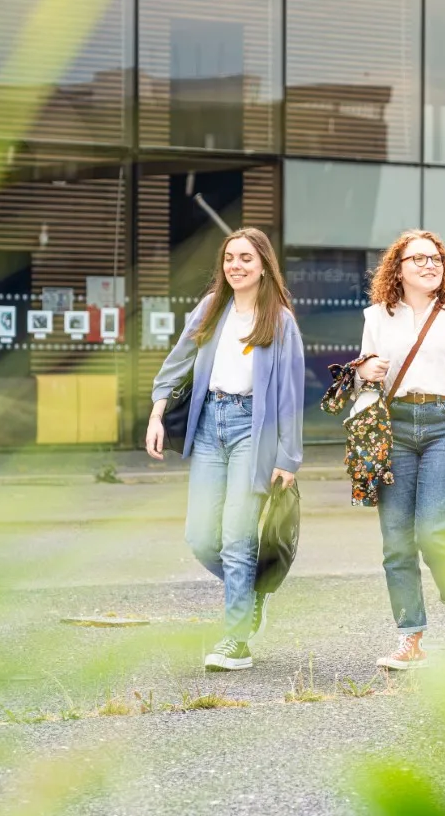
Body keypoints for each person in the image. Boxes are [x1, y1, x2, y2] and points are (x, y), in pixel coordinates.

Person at [146, 228, 305, 672]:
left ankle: (236, 641)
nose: (236, 265)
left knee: (237, 537)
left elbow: (291, 394)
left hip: (251, 429)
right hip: (208, 426)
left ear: (263, 266)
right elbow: (175, 362)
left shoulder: (280, 320)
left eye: (246, 259)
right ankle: (251, 593)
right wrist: (157, 414)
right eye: (230, 258)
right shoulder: (210, 308)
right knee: (200, 536)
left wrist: (287, 457)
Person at [357, 230, 445, 670]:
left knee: (432, 531)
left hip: (444, 426)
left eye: (435, 259)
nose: (429, 265)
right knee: (396, 542)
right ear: (398, 268)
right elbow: (363, 384)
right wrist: (367, 372)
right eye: (418, 259)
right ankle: (410, 636)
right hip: (393, 428)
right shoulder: (377, 315)